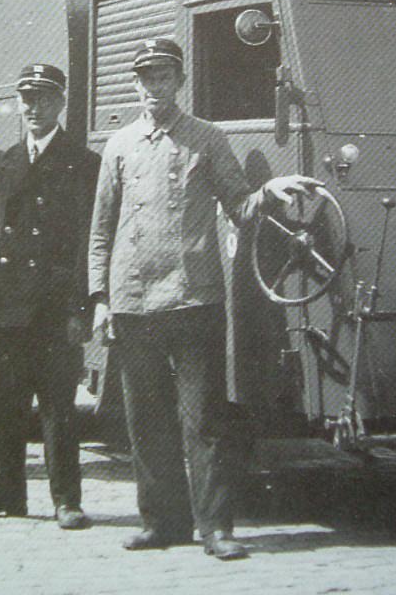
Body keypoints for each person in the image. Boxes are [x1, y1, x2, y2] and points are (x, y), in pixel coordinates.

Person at [88, 38, 322, 560]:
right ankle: (161, 523)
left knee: (205, 421)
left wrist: (269, 191)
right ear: (135, 84)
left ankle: (216, 528)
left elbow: (239, 204)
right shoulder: (119, 146)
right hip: (133, 301)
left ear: (179, 81)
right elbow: (101, 229)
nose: (154, 86)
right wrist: (100, 297)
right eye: (146, 77)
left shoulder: (208, 138)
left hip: (194, 298)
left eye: (163, 76)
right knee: (146, 422)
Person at [0, 64, 100, 531]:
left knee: (58, 407)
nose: (34, 107)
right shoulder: (8, 162)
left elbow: (87, 243)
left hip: (54, 306)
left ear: (61, 103)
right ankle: (3, 492)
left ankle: (66, 499)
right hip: (7, 302)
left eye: (43, 98)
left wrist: (80, 308)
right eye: (26, 98)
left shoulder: (82, 163)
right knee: (2, 403)